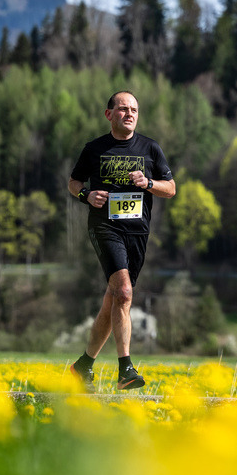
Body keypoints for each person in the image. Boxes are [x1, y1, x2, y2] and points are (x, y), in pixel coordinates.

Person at [67, 90, 175, 391]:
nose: (129, 114)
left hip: (138, 232)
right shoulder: (95, 149)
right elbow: (73, 182)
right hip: (105, 228)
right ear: (109, 114)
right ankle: (125, 368)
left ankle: (83, 366)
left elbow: (171, 188)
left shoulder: (151, 148)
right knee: (125, 292)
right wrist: (86, 195)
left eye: (134, 110)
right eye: (124, 109)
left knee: (114, 299)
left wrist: (149, 183)